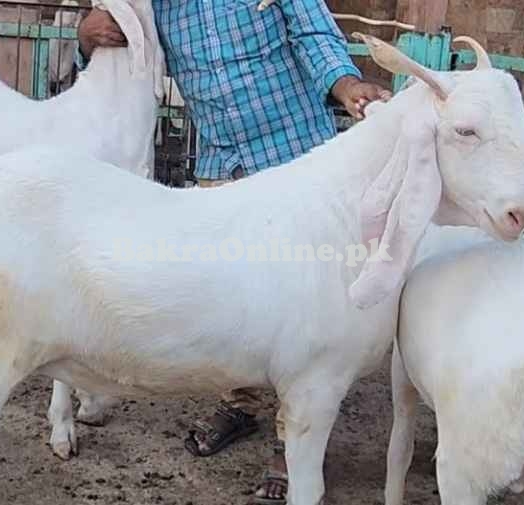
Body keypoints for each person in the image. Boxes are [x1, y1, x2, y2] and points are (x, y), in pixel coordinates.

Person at [77, 1, 390, 502]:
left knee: (300, 311)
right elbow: (120, 33)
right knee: (231, 302)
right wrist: (87, 36)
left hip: (295, 155)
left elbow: (315, 36)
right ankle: (238, 403)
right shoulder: (158, 4)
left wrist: (348, 86)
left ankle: (294, 440)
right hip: (221, 159)